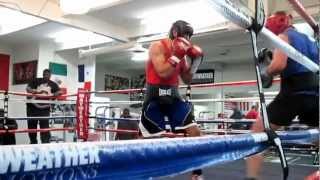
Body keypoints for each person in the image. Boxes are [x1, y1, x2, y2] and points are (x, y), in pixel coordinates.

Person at [245, 11, 319, 180]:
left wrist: (266, 72)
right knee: (317, 135)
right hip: (316, 94)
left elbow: (279, 65)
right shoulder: (312, 41)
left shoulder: (284, 36)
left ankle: (251, 178)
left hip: (293, 93)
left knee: (257, 131)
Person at [139, 20, 204, 180]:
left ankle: (197, 174)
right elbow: (162, 71)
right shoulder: (157, 46)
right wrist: (177, 55)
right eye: (186, 35)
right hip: (154, 97)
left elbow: (187, 79)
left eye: (190, 36)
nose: (188, 39)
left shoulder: (183, 55)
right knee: (150, 140)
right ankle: (143, 171)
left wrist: (195, 64)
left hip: (174, 97)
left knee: (194, 131)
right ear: (175, 32)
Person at [26, 69, 61, 144]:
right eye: (45, 74)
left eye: (48, 75)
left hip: (44, 109)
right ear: (43, 74)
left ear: (50, 76)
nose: (46, 76)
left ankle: (44, 144)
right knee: (32, 128)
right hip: (32, 108)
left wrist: (56, 93)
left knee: (44, 128)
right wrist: (35, 91)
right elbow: (27, 88)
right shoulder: (36, 80)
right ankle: (33, 143)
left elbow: (60, 91)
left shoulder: (53, 84)